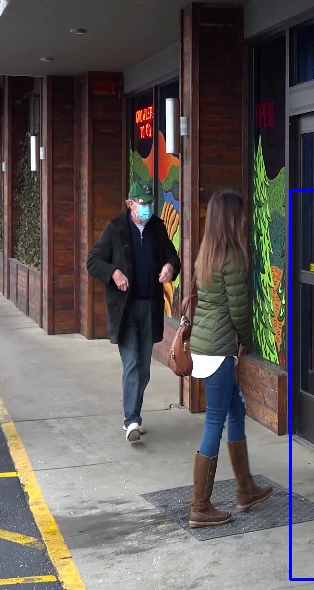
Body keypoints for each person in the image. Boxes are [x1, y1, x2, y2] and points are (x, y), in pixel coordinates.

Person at [187, 189, 272, 528]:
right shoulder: (233, 257)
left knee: (235, 410)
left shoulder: (206, 254)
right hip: (219, 347)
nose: (246, 219)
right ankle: (200, 506)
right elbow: (238, 311)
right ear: (232, 219)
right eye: (242, 214)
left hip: (203, 344)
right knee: (215, 421)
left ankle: (245, 488)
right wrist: (248, 341)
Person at [87, 181, 180, 443]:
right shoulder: (115, 228)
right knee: (131, 364)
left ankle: (134, 413)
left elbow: (173, 257)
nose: (147, 207)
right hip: (125, 309)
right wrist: (114, 273)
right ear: (130, 204)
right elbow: (92, 261)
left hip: (149, 306)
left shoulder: (157, 228)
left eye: (150, 203)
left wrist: (170, 268)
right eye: (142, 203)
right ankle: (131, 420)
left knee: (144, 369)